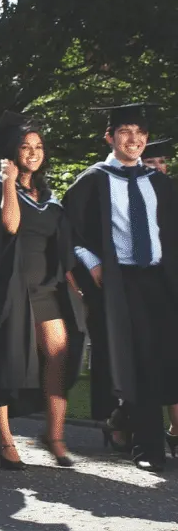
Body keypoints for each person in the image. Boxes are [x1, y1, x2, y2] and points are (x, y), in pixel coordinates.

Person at [65, 105, 178, 471]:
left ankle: (120, 421)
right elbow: (69, 232)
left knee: (165, 357)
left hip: (161, 280)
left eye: (140, 133)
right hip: (120, 282)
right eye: (126, 132)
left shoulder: (158, 182)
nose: (134, 139)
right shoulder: (93, 180)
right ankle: (149, 448)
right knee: (141, 360)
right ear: (110, 137)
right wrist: (92, 263)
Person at [0, 112, 84, 470]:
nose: (33, 152)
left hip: (46, 288)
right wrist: (8, 181)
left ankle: (55, 435)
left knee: (58, 356)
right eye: (25, 146)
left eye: (38, 147)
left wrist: (77, 288)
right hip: (9, 289)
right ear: (11, 151)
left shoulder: (49, 197)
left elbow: (62, 247)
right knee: (8, 361)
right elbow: (10, 226)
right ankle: (3, 438)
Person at [141, 136, 178, 457]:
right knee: (156, 360)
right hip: (148, 287)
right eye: (150, 162)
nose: (157, 167)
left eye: (161, 162)